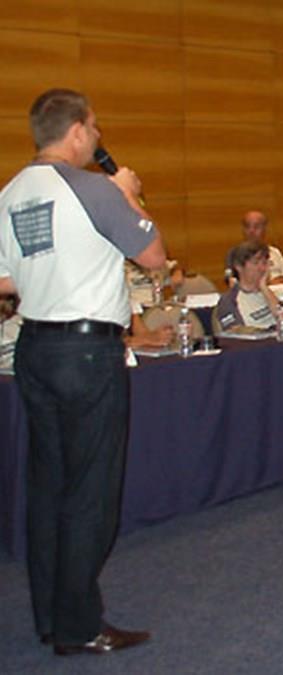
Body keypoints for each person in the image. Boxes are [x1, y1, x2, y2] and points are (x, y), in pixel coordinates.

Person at [0, 88, 165, 654]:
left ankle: (52, 616)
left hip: (36, 348)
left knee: (49, 486)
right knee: (91, 491)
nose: (97, 137)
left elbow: (5, 278)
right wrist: (129, 195)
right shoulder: (94, 188)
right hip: (87, 354)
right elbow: (153, 256)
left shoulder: (12, 192)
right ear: (75, 132)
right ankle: (80, 625)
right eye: (93, 128)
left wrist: (53, 270)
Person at [214, 240, 283, 332]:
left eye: (264, 263)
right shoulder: (228, 301)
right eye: (255, 263)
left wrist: (264, 288)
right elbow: (237, 332)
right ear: (239, 267)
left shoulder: (272, 293)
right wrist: (269, 331)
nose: (262, 268)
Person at [223, 210, 283, 285]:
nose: (251, 231)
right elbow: (229, 280)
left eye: (256, 227)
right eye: (247, 227)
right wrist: (267, 283)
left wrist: (280, 279)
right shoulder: (234, 254)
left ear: (265, 230)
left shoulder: (274, 251)